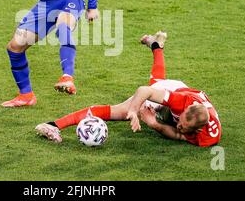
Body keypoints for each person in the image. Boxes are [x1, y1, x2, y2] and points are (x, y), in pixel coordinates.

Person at [35, 31, 222, 147]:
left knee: (156, 82)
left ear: (199, 129)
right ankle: (52, 125)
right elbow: (144, 91)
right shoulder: (182, 103)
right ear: (183, 111)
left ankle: (156, 45)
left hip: (179, 93)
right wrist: (133, 111)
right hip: (178, 90)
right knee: (122, 111)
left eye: (185, 127)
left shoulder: (208, 138)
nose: (180, 126)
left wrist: (154, 124)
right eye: (180, 122)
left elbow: (178, 136)